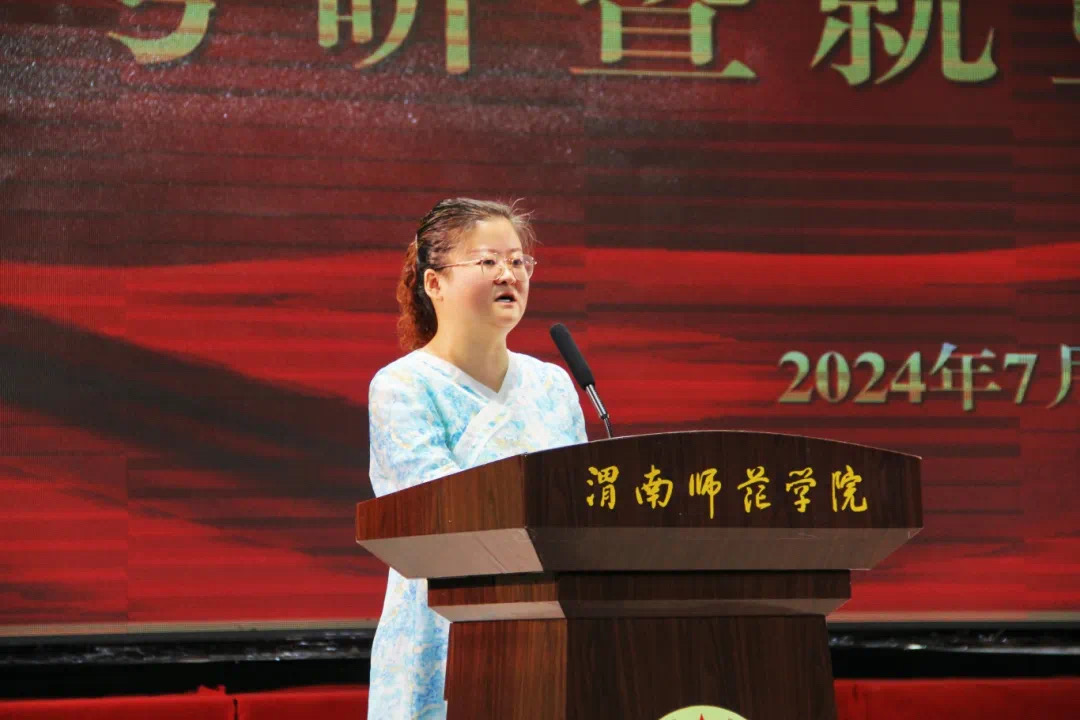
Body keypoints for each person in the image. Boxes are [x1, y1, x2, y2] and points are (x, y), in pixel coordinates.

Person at [366, 198, 588, 719]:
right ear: (434, 283)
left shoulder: (554, 386)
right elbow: (440, 513)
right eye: (488, 261)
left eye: (518, 261)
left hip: (549, 634)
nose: (508, 274)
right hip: (444, 634)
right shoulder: (403, 387)